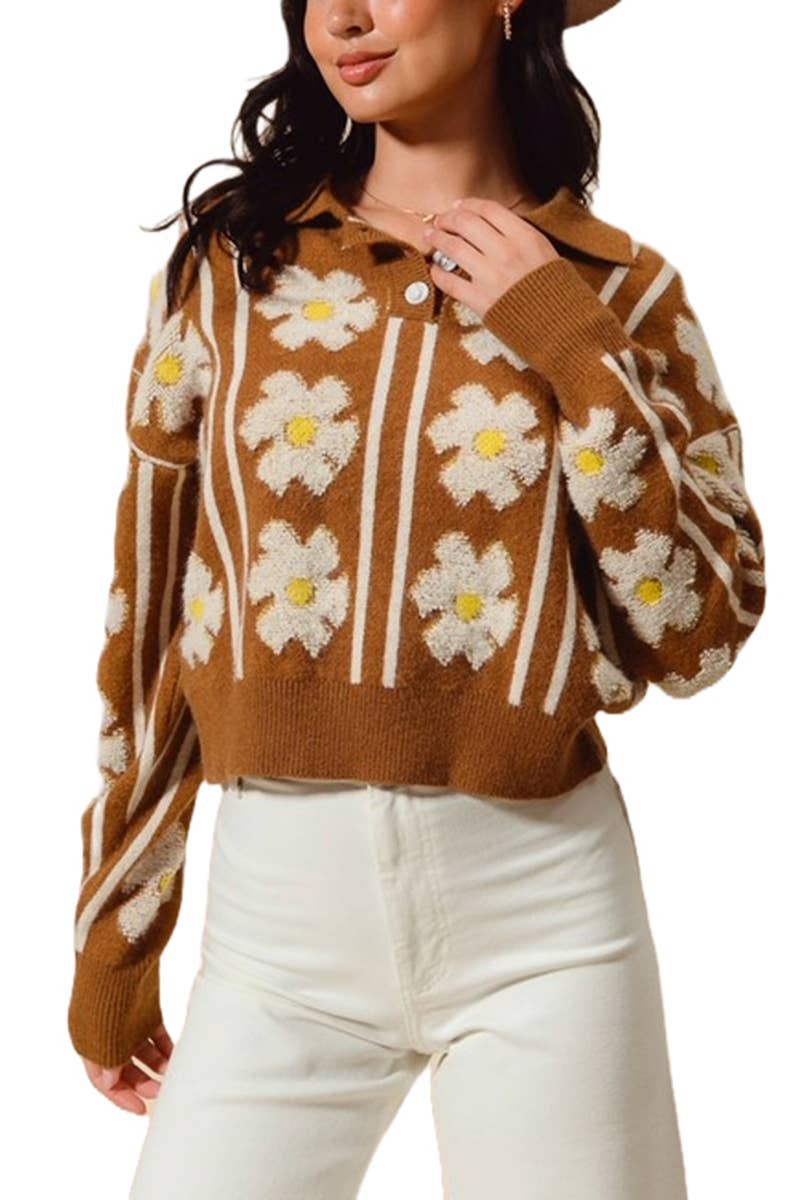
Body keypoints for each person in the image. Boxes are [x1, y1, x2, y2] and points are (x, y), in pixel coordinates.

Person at [67, 1, 767, 1196]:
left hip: (546, 928)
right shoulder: (230, 269)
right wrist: (115, 926)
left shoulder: (620, 291)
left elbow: (697, 632)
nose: (341, 16)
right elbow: (149, 611)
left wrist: (566, 339)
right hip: (275, 936)